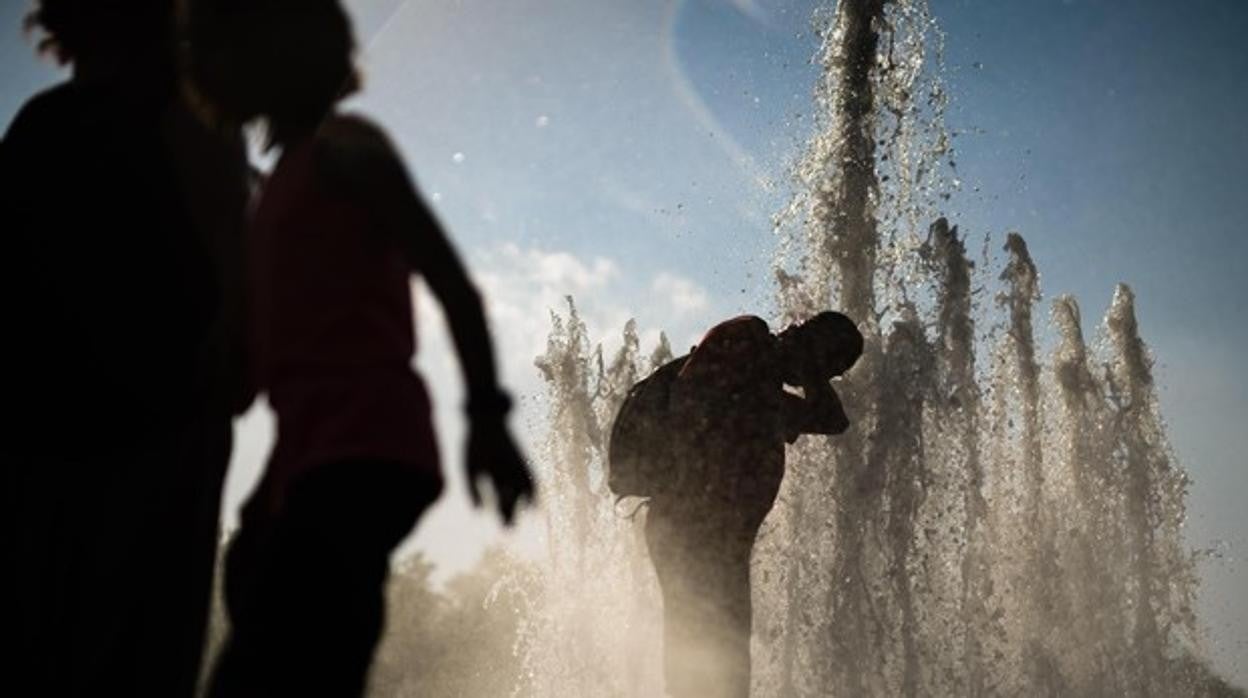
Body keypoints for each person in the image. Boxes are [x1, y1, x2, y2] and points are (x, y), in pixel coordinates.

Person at [183, 1, 536, 695]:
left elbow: (451, 283)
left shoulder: (347, 148)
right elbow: (245, 377)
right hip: (306, 458)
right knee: (281, 625)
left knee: (285, 658)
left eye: (223, 46)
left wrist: (488, 416)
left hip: (367, 446)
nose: (205, 63)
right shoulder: (270, 190)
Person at [1, 1, 250, 695]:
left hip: (59, 445)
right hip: (153, 442)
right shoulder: (190, 120)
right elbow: (237, 266)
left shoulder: (39, 129)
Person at [639, 312, 862, 698]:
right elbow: (692, 397)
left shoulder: (768, 394)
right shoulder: (747, 336)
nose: (821, 378)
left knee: (726, 645)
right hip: (689, 525)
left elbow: (833, 420)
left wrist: (807, 368)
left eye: (832, 373)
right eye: (828, 365)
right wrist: (804, 361)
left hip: (721, 538)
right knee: (701, 639)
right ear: (810, 341)